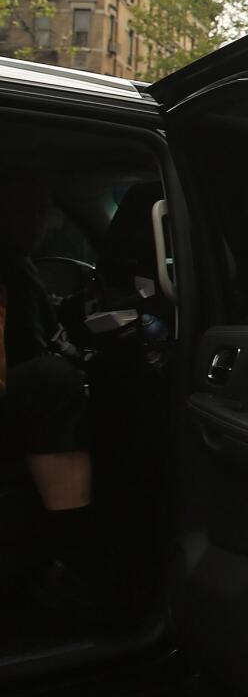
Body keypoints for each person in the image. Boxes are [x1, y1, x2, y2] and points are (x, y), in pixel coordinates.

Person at [0, 168, 109, 624]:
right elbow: (30, 348)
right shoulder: (9, 264)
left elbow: (37, 329)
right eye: (29, 210)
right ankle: (70, 558)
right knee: (53, 383)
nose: (42, 222)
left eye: (43, 211)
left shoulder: (18, 263)